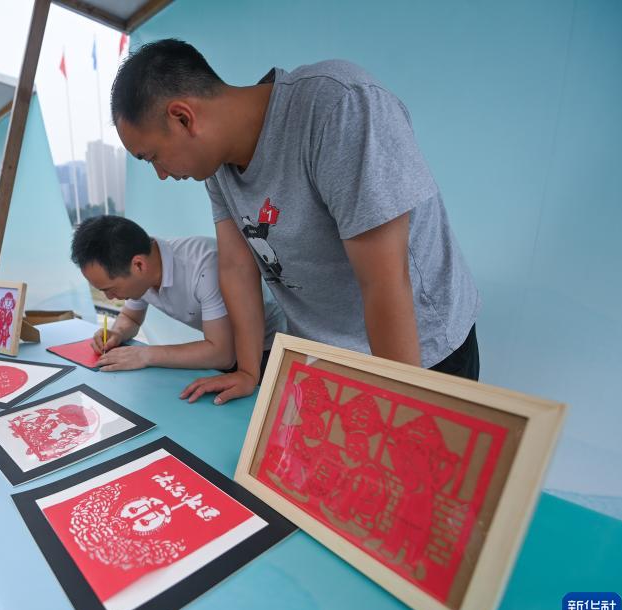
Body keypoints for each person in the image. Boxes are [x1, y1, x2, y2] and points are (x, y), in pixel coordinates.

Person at [110, 40, 480, 406]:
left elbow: (384, 281)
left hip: (418, 355)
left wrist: (397, 404)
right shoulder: (219, 169)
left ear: (183, 117)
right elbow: (237, 267)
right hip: (330, 357)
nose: (161, 174)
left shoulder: (337, 107)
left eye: (153, 157)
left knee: (407, 441)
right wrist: (249, 371)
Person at [70, 214, 285, 375]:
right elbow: (130, 318)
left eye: (109, 289)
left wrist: (146, 354)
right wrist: (116, 333)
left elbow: (222, 354)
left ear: (138, 265)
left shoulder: (205, 267)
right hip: (228, 350)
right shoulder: (141, 269)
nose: (109, 298)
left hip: (270, 348)